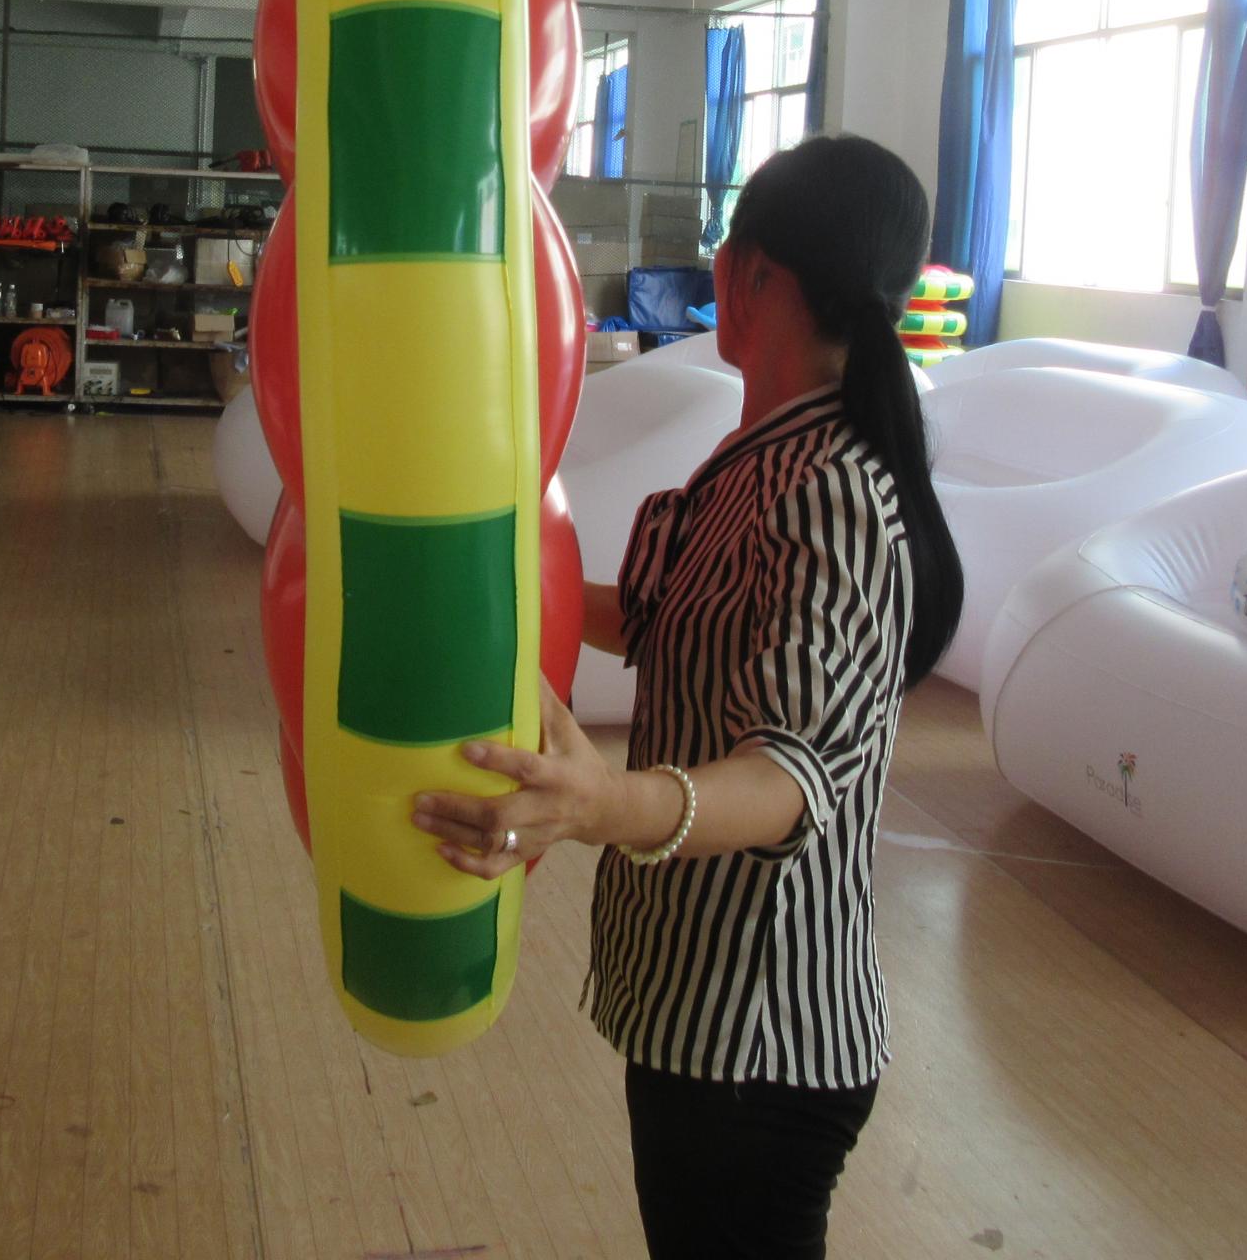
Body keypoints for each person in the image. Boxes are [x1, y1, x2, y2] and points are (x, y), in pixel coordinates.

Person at [411, 134, 964, 1260]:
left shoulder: (833, 494)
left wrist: (596, 804)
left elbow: (788, 777)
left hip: (759, 1045)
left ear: (748, 276)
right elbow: (657, 618)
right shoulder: (758, 457)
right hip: (695, 1018)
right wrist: (496, 587)